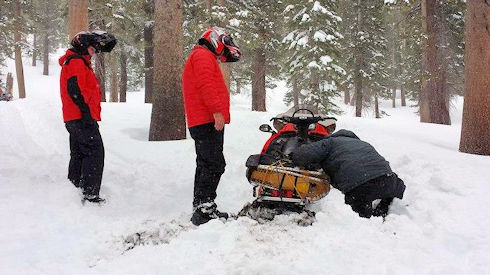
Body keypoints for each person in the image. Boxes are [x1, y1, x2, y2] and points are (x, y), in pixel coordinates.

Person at [182, 27, 241, 225]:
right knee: (214, 164)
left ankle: (202, 205)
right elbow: (205, 85)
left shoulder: (203, 56)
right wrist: (217, 111)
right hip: (206, 119)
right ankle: (204, 208)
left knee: (206, 163)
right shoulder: (202, 56)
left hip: (204, 119)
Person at [291, 129, 406, 218]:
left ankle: (371, 223)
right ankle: (384, 209)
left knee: (361, 219)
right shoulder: (363, 143)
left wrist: (292, 156)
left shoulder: (330, 142)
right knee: (387, 190)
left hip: (360, 186)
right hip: (389, 179)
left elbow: (303, 155)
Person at [59, 31, 116, 204]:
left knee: (79, 153)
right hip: (80, 116)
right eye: (92, 49)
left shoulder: (78, 61)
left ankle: (75, 188)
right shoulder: (76, 62)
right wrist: (86, 114)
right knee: (94, 152)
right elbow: (75, 88)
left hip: (74, 116)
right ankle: (90, 194)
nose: (94, 53)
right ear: (83, 47)